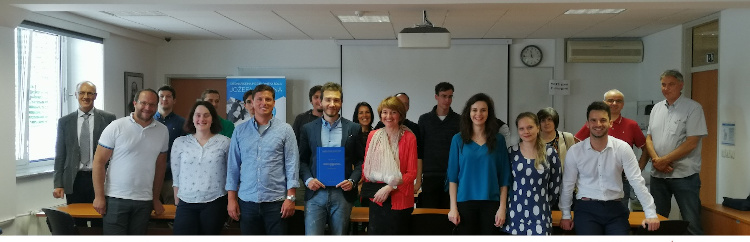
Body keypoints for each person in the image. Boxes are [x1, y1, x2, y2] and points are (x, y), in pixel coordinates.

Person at [560, 101, 660, 235]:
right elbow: (567, 185)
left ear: (610, 123)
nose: (598, 124)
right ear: (587, 124)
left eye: (603, 120)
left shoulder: (622, 148)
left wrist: (650, 213)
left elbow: (636, 181)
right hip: (586, 209)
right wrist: (566, 215)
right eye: (593, 120)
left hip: (615, 209)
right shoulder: (575, 151)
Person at [92, 89, 169, 235]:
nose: (147, 108)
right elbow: (99, 162)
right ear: (135, 103)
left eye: (152, 104)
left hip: (144, 201)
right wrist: (99, 196)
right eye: (143, 103)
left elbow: (160, 167)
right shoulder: (116, 126)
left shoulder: (163, 131)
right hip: (116, 198)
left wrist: (156, 198)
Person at [225, 84, 299, 235]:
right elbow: (233, 166)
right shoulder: (240, 130)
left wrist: (291, 197)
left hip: (276, 202)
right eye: (259, 99)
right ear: (252, 102)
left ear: (274, 102)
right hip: (247, 202)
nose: (263, 103)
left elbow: (292, 164)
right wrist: (231, 200)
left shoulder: (285, 129)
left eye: (268, 99)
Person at [643, 69, 707, 235]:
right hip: (658, 175)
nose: (666, 88)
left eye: (671, 84)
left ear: (681, 85)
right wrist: (657, 160)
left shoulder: (693, 108)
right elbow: (648, 138)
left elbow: (692, 142)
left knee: (691, 222)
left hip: (684, 175)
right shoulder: (656, 108)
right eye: (663, 84)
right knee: (656, 222)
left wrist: (663, 160)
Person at [298, 82, 362, 235]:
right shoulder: (308, 128)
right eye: (328, 99)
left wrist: (352, 181)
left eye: (336, 100)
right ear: (321, 101)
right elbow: (301, 160)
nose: (332, 104)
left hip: (342, 194)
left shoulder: (353, 128)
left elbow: (360, 161)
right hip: (315, 193)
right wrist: (308, 180)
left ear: (341, 102)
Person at [53, 81, 116, 226]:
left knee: (99, 221)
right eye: (82, 93)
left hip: (100, 179)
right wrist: (58, 184)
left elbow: (114, 152)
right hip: (75, 180)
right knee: (77, 222)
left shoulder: (108, 119)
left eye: (90, 93)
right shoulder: (65, 121)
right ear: (76, 95)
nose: (85, 96)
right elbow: (60, 154)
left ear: (95, 96)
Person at [446, 93, 510, 235]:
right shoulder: (458, 140)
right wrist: (453, 207)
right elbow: (452, 178)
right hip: (464, 202)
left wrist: (502, 207)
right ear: (468, 112)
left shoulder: (498, 140)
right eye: (474, 110)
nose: (478, 114)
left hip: (491, 203)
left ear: (489, 113)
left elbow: (504, 177)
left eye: (483, 110)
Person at [575, 89, 647, 210]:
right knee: (593, 213)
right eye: (610, 100)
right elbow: (576, 143)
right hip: (595, 179)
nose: (614, 103)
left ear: (623, 105)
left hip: (622, 180)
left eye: (618, 101)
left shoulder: (631, 125)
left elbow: (645, 149)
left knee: (619, 214)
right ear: (604, 102)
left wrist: (638, 169)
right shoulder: (595, 124)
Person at [171, 101, 231, 235]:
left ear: (212, 119)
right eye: (197, 115)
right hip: (186, 201)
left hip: (215, 201)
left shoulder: (225, 142)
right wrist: (177, 199)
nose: (201, 119)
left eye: (206, 115)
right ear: (192, 118)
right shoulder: (180, 143)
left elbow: (231, 173)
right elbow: (176, 174)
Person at [361, 96, 418, 235]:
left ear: (400, 114)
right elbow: (366, 167)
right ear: (380, 114)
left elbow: (412, 173)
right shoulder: (373, 136)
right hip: (377, 197)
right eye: (385, 112)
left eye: (393, 112)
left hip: (400, 197)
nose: (388, 116)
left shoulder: (409, 138)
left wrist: (389, 187)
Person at [502, 112, 561, 235]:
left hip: (540, 213)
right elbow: (505, 182)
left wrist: (542, 202)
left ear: (538, 128)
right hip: (515, 212)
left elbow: (555, 185)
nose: (526, 132)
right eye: (521, 129)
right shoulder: (511, 152)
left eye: (530, 127)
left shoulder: (549, 153)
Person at [417, 82, 460, 209]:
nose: (447, 100)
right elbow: (420, 149)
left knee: (450, 213)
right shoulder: (424, 119)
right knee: (430, 215)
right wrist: (419, 178)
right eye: (444, 96)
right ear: (436, 97)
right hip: (430, 175)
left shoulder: (459, 120)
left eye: (450, 96)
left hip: (451, 175)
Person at [154, 85, 186, 205]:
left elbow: (183, 151)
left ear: (174, 100)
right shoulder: (149, 120)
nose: (164, 99)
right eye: (161, 96)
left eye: (168, 97)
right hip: (149, 175)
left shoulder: (182, 123)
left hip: (171, 177)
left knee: (171, 209)